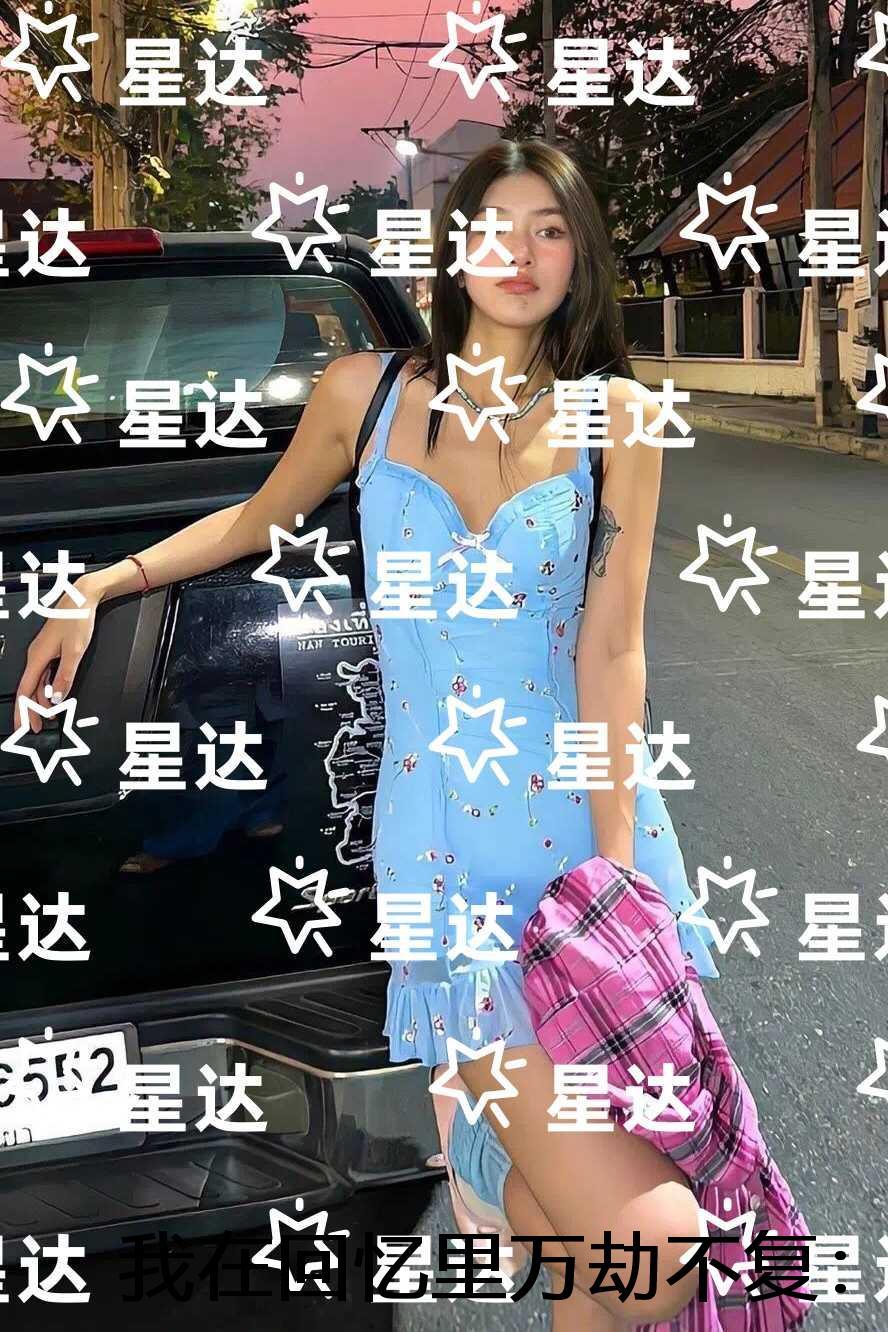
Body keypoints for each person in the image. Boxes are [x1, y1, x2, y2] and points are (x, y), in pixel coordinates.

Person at [15, 139, 739, 1329]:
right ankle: (492, 1160)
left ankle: (499, 1172)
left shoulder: (617, 419)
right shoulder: (368, 393)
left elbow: (613, 652)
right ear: (454, 249)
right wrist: (101, 583)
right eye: (495, 226)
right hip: (444, 851)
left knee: (600, 1244)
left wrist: (614, 883)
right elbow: (257, 519)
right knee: (652, 1251)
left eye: (550, 229)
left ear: (581, 258)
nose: (520, 253)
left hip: (583, 840)